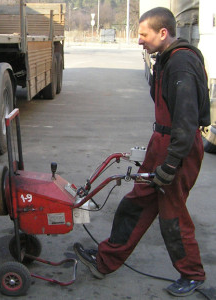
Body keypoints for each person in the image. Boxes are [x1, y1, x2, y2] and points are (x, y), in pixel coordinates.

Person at [74, 7, 210, 297]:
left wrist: (171, 164)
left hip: (178, 147)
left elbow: (186, 120)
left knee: (172, 215)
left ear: (163, 33)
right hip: (162, 142)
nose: (139, 41)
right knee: (135, 203)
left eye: (143, 34)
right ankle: (105, 260)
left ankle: (193, 274)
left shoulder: (182, 63)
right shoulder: (166, 59)